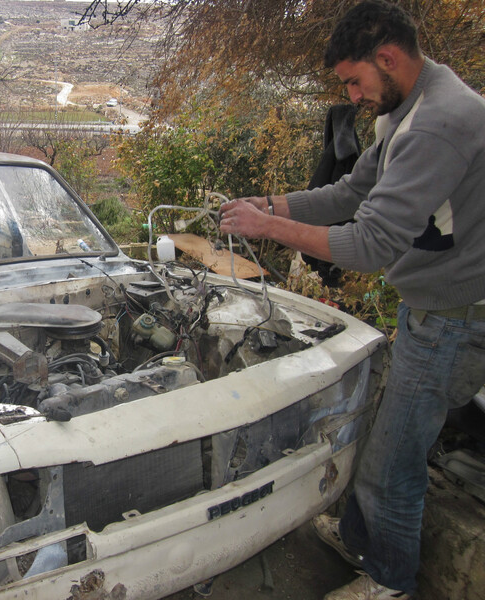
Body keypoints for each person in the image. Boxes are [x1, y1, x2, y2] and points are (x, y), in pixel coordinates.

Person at [219, 1, 485, 599]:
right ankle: (367, 545)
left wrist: (269, 231)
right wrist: (270, 206)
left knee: (394, 459)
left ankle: (390, 582)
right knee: (388, 439)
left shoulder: (440, 123)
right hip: (430, 306)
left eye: (352, 80)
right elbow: (351, 192)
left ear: (387, 59)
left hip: (455, 320)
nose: (353, 96)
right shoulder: (404, 108)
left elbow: (368, 244)